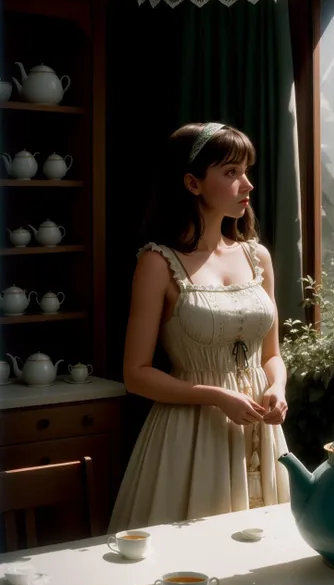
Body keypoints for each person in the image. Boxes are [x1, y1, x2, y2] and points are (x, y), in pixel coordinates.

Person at [108, 121, 290, 531]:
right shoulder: (157, 263)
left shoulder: (257, 257)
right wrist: (216, 396)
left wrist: (277, 388)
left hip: (260, 434)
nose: (247, 185)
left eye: (247, 171)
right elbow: (135, 375)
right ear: (192, 183)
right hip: (189, 439)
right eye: (231, 173)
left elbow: (272, 355)